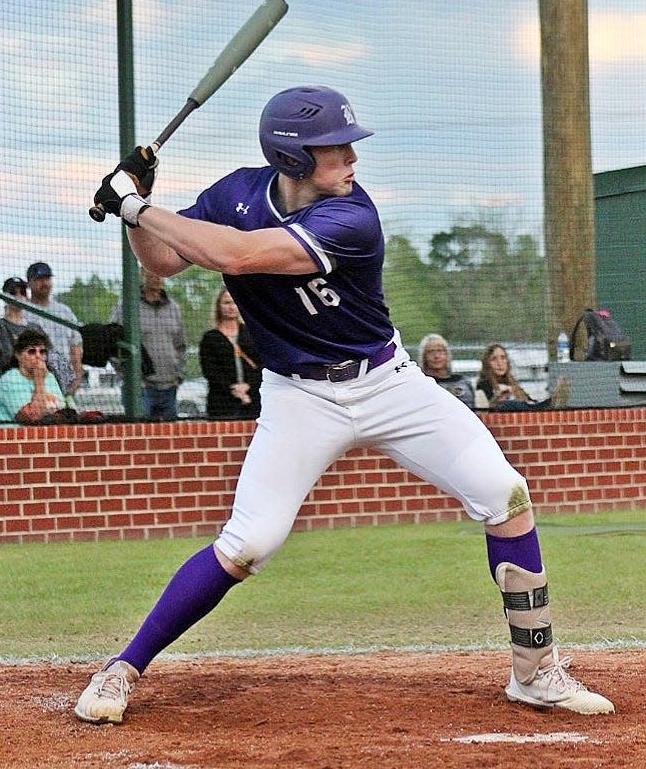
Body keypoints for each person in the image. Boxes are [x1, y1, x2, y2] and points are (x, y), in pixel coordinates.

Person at [75, 85, 612, 724]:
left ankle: (536, 672)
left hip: (389, 383)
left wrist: (134, 203)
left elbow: (240, 256)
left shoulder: (352, 217)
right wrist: (141, 214)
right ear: (295, 158)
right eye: (337, 149)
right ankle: (121, 669)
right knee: (249, 545)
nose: (352, 160)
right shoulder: (235, 193)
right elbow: (163, 259)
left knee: (506, 492)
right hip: (299, 396)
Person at [110, 267, 187, 420]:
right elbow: (113, 343)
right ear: (142, 272)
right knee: (139, 436)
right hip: (140, 389)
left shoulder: (174, 308)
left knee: (169, 438)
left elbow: (181, 345)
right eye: (153, 271)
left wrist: (178, 375)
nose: (157, 277)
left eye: (161, 272)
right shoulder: (126, 306)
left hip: (169, 386)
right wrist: (129, 377)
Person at [199, 286, 261, 419]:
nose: (231, 307)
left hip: (253, 397)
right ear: (218, 306)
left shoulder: (251, 333)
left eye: (234, 302)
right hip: (222, 400)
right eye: (226, 302)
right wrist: (233, 388)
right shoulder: (211, 337)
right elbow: (210, 370)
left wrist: (248, 386)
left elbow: (262, 364)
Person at [26, 262, 83, 396]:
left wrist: (78, 376)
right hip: (33, 377)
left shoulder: (64, 311)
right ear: (29, 283)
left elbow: (76, 346)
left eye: (47, 278)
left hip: (63, 377)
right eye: (39, 279)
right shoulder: (23, 311)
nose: (44, 283)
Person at [0, 328, 69, 425]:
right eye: (32, 351)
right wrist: (39, 381)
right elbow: (33, 418)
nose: (38, 356)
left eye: (42, 351)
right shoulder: (10, 380)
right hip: (14, 436)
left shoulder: (50, 378)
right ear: (18, 355)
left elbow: (61, 413)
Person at [475, 343, 569, 411]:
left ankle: (553, 402)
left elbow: (529, 401)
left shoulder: (512, 382)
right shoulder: (484, 383)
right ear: (487, 363)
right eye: (494, 359)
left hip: (524, 413)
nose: (500, 363)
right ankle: (550, 404)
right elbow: (488, 409)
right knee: (507, 404)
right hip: (505, 414)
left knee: (528, 403)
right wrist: (497, 397)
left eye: (503, 358)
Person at [418, 333, 475, 409]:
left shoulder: (464, 382)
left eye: (440, 351)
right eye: (431, 352)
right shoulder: (421, 383)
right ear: (424, 356)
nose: (436, 356)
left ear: (447, 354)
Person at [0, 277, 31, 377]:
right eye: (13, 293)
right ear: (4, 297)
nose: (19, 296)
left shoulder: (35, 328)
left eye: (23, 292)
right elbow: (6, 358)